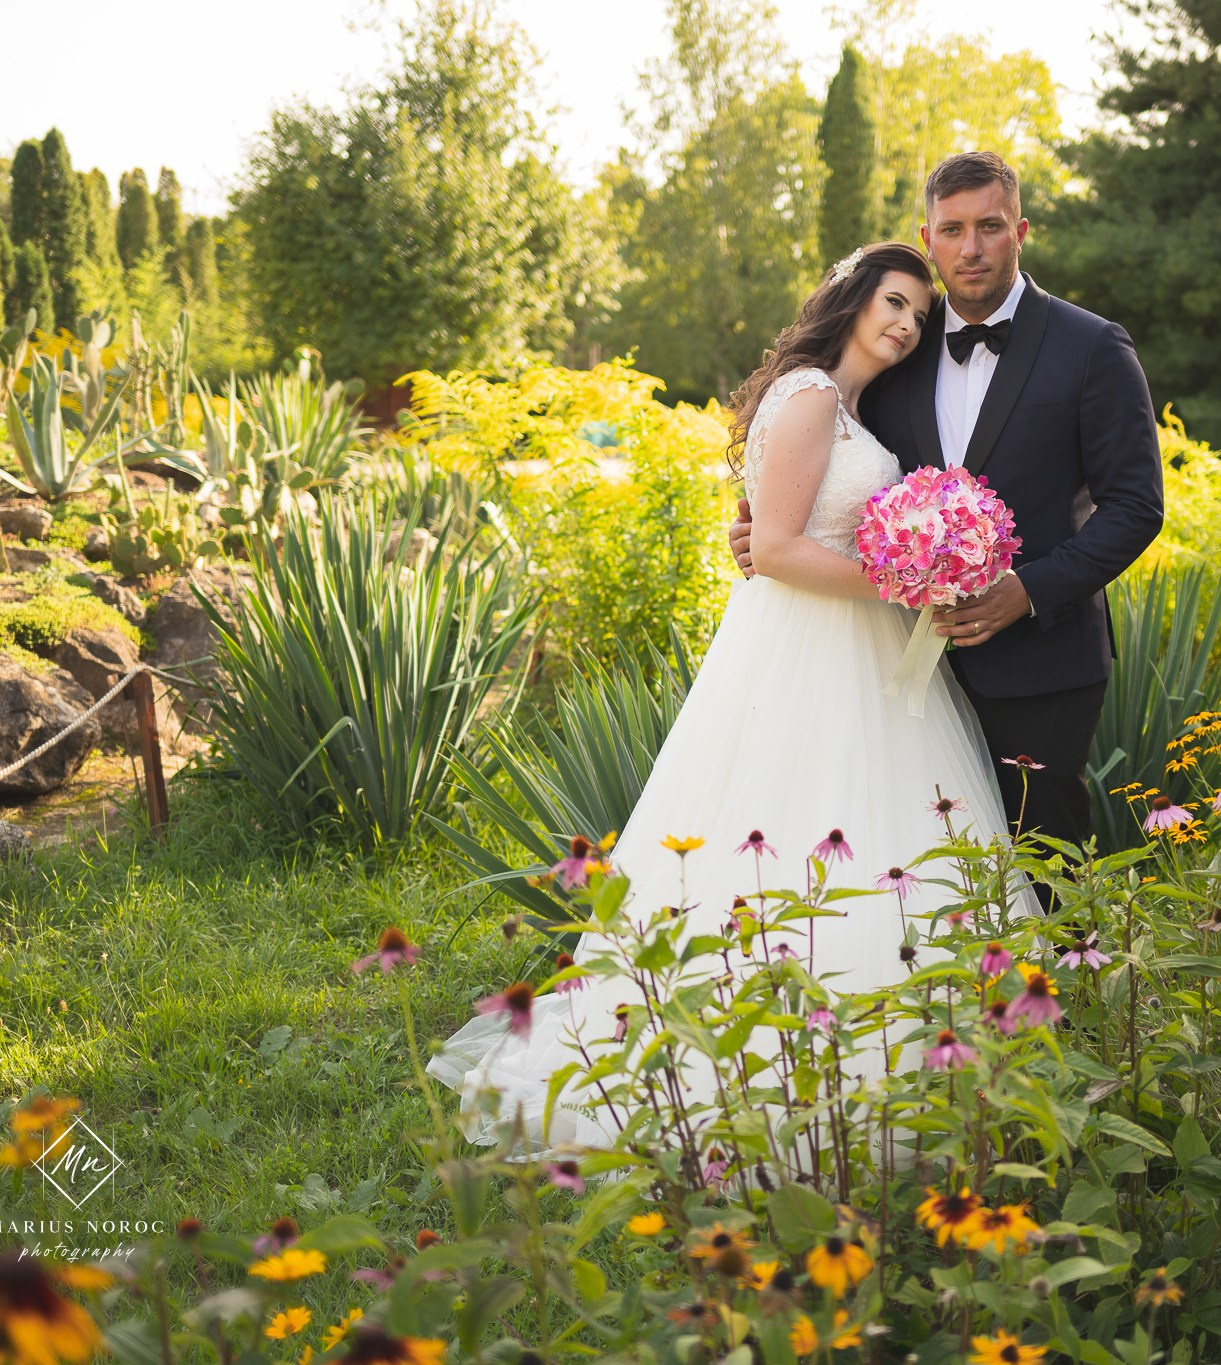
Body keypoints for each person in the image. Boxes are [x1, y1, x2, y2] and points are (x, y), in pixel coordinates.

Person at [426, 242, 1037, 1156]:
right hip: (809, 651)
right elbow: (783, 549)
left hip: (859, 656)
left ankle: (905, 1063)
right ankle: (762, 1073)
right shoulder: (809, 397)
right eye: (895, 302)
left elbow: (774, 530)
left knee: (875, 837)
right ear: (853, 298)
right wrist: (908, 581)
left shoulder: (849, 408)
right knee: (791, 835)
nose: (908, 324)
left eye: (919, 311)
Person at [731, 150, 1165, 849]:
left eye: (989, 226)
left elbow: (1136, 506)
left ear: (1020, 232)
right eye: (953, 229)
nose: (971, 247)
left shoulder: (1091, 347)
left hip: (1042, 668)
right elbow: (832, 463)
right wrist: (770, 533)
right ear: (927, 238)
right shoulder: (901, 344)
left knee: (1041, 870)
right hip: (898, 669)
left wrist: (1025, 590)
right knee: (914, 867)